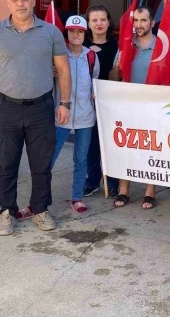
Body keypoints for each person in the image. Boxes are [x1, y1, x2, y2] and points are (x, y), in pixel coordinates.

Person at [0, 0, 72, 236]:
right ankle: (6, 211)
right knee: (6, 164)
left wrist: (65, 102)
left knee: (41, 164)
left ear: (33, 0)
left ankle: (40, 209)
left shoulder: (51, 32)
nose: (20, 3)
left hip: (41, 108)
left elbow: (63, 69)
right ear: (8, 2)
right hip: (5, 108)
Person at [109, 6, 159, 210]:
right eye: (136, 20)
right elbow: (114, 78)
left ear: (152, 23)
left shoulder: (161, 46)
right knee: (126, 147)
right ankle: (124, 190)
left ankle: (150, 191)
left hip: (153, 106)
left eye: (143, 20)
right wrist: (118, 66)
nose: (139, 25)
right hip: (127, 106)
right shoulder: (126, 45)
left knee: (151, 148)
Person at [50, 16, 100, 214]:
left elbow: (95, 81)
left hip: (85, 117)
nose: (76, 35)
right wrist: (49, 71)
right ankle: (41, 196)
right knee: (50, 158)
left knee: (81, 159)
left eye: (80, 31)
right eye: (72, 31)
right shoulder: (58, 55)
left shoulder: (91, 57)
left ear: (85, 34)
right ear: (67, 33)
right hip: (61, 117)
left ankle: (77, 197)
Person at [84, 4, 120, 198]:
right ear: (88, 24)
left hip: (112, 103)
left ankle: (113, 182)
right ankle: (92, 181)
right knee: (91, 144)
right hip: (89, 103)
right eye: (94, 20)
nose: (99, 23)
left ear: (108, 22)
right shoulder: (82, 46)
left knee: (111, 144)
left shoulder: (118, 46)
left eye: (102, 19)